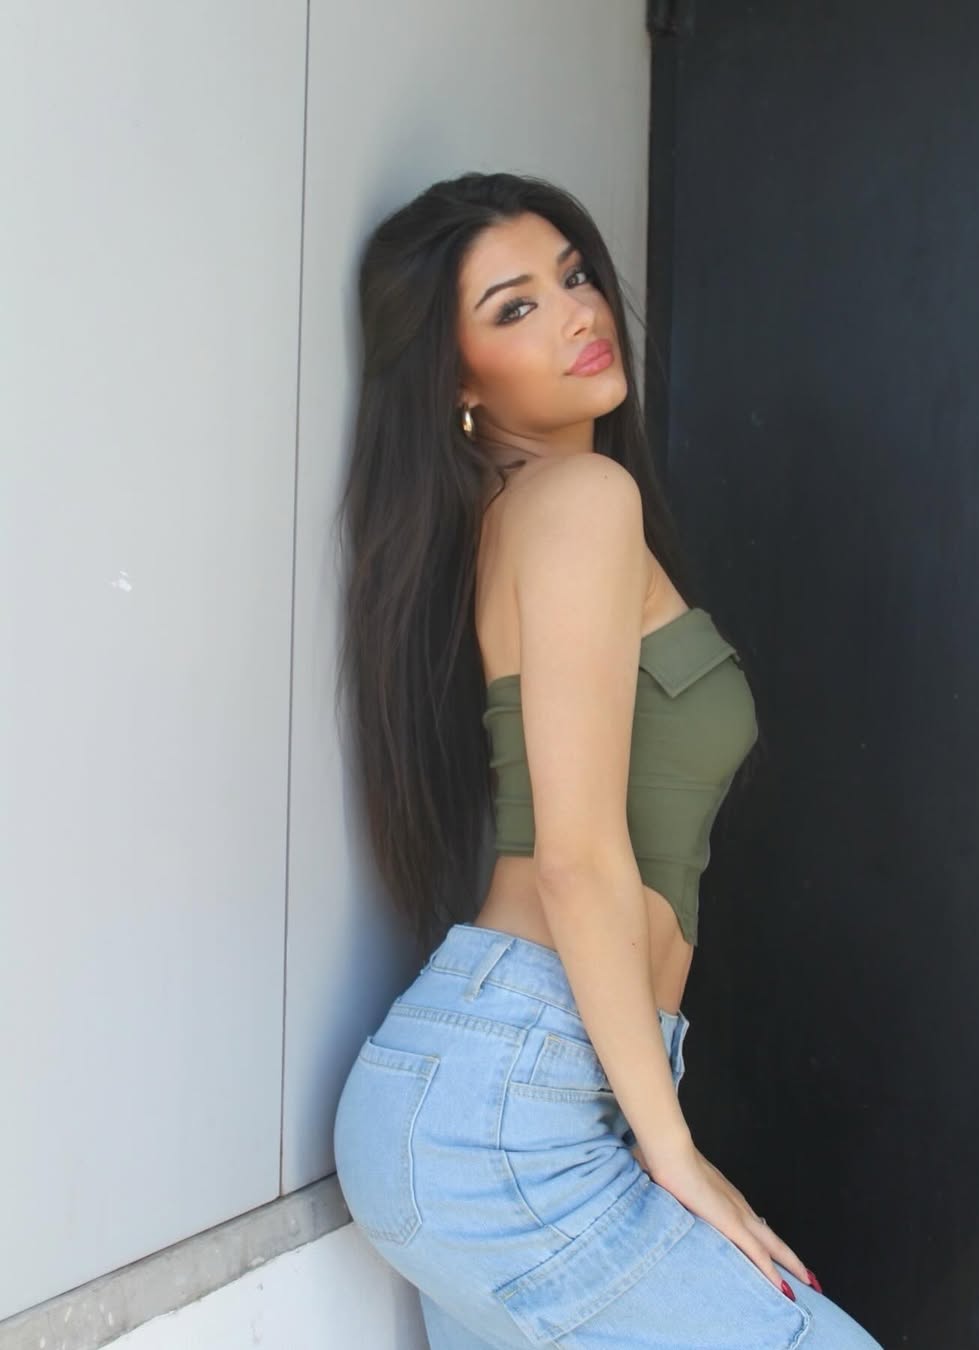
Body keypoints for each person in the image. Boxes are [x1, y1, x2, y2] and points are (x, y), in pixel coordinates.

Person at [332, 171, 883, 1349]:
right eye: (516, 306)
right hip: (513, 1105)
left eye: (574, 275)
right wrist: (675, 1152)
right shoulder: (579, 498)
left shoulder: (519, 516)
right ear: (455, 379)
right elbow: (578, 857)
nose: (579, 312)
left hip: (499, 1091)